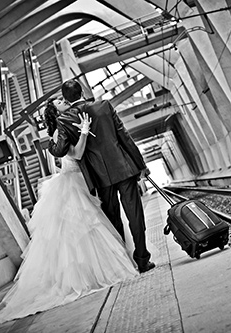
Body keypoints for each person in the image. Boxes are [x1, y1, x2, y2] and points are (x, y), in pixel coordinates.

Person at [0, 98, 139, 324]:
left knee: (92, 228)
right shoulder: (59, 135)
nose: (63, 101)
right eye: (59, 102)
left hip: (81, 181)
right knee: (84, 230)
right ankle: (91, 274)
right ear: (54, 112)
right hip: (72, 184)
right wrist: (85, 132)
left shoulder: (64, 127)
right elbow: (77, 155)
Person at [48, 79, 155, 273]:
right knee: (135, 215)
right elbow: (124, 136)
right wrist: (141, 165)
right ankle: (142, 259)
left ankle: (124, 261)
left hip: (99, 177)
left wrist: (51, 144)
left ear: (65, 98)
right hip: (123, 168)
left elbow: (61, 149)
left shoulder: (63, 120)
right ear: (82, 92)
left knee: (112, 218)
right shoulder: (104, 105)